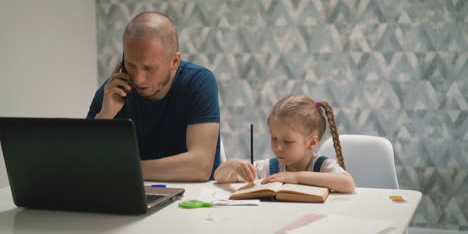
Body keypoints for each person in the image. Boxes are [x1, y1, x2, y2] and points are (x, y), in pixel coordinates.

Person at [87, 12, 221, 182]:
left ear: (174, 62)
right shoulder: (112, 92)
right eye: (131, 65)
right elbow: (86, 164)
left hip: (193, 200)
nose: (138, 78)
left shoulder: (198, 81)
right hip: (134, 195)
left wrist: (122, 169)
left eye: (149, 68)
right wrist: (105, 116)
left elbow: (199, 167)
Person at [214, 94, 355, 193]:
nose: (278, 147)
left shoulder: (323, 166)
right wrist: (233, 164)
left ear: (311, 143)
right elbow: (219, 178)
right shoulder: (269, 168)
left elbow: (348, 184)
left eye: (288, 141)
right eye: (274, 138)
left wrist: (297, 177)